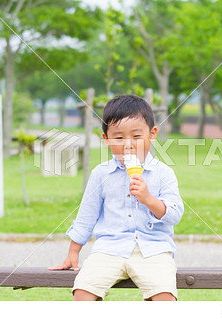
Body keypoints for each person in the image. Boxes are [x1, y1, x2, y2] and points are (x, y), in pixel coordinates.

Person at [48, 95, 184, 301]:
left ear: (152, 134)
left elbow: (174, 215)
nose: (128, 144)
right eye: (119, 138)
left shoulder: (162, 173)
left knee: (165, 296)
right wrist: (73, 252)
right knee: (83, 291)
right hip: (109, 249)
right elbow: (87, 215)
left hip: (154, 250)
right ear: (106, 139)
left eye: (137, 136)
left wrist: (149, 199)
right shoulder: (101, 174)